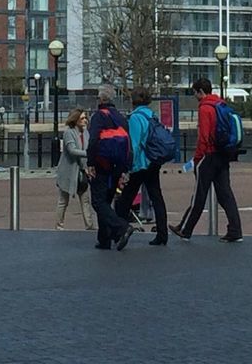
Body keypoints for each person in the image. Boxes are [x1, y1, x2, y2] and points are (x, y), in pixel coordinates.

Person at [172, 79, 242, 243]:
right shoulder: (220, 104)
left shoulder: (205, 108)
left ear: (200, 91)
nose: (195, 96)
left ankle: (186, 229)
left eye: (195, 92)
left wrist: (197, 159)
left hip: (208, 156)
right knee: (225, 194)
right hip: (223, 154)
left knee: (199, 195)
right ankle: (235, 230)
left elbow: (203, 137)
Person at [116, 87, 169, 246]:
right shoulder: (152, 116)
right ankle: (162, 233)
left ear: (133, 101)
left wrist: (128, 165)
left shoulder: (135, 118)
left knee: (124, 199)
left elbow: (134, 143)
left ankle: (120, 230)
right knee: (156, 197)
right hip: (154, 161)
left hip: (140, 163)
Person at [86, 84, 135, 251]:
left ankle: (121, 227)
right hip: (117, 165)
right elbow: (129, 144)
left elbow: (93, 142)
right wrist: (125, 168)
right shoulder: (121, 118)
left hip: (101, 164)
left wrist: (90, 163)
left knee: (98, 201)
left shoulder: (98, 117)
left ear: (100, 99)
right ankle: (105, 238)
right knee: (106, 201)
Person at [54, 108, 94, 230]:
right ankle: (59, 226)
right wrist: (89, 153)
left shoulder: (86, 133)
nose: (85, 120)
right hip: (68, 172)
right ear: (75, 119)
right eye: (82, 118)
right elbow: (72, 150)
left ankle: (90, 225)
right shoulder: (69, 133)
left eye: (85, 118)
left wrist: (87, 166)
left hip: (82, 172)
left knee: (85, 199)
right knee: (63, 201)